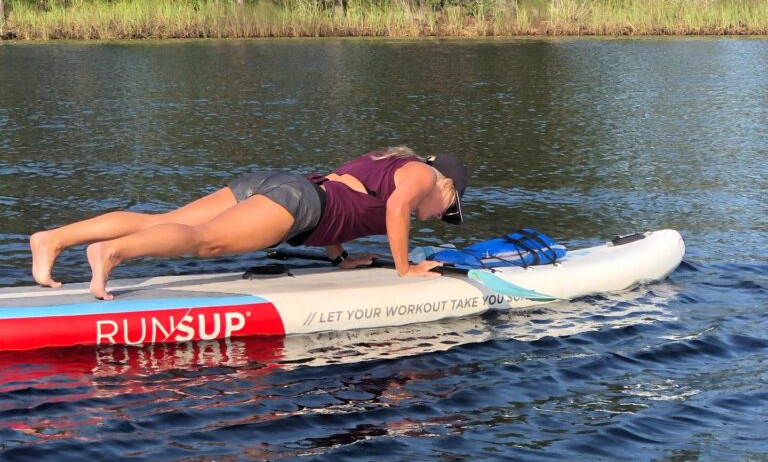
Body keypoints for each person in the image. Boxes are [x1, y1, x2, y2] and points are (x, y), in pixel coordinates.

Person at [29, 147, 468, 300]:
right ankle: (111, 252)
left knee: (162, 221)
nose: (437, 217)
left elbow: (345, 197)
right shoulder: (422, 174)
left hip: (286, 187)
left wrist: (340, 260)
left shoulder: (385, 164)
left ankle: (53, 240)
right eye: (447, 210)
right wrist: (406, 269)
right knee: (203, 242)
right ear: (447, 188)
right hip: (297, 203)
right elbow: (392, 211)